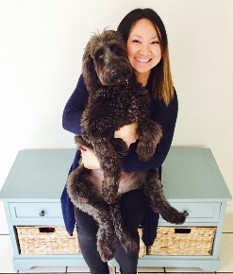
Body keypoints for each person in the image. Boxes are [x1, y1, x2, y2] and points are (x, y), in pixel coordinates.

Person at [61, 8, 178, 274]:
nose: (144, 50)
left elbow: (157, 156)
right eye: (136, 40)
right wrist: (118, 134)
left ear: (163, 48)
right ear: (124, 42)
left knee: (126, 240)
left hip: (136, 175)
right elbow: (68, 117)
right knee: (88, 234)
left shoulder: (165, 93)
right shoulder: (95, 75)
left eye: (154, 41)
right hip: (91, 171)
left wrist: (110, 157)